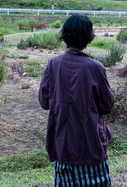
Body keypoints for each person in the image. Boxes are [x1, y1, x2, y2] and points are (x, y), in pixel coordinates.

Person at [39, 14, 114, 186]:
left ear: (65, 36)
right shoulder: (95, 67)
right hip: (90, 143)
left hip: (62, 143)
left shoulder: (53, 64)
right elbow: (107, 105)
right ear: (89, 37)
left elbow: (44, 102)